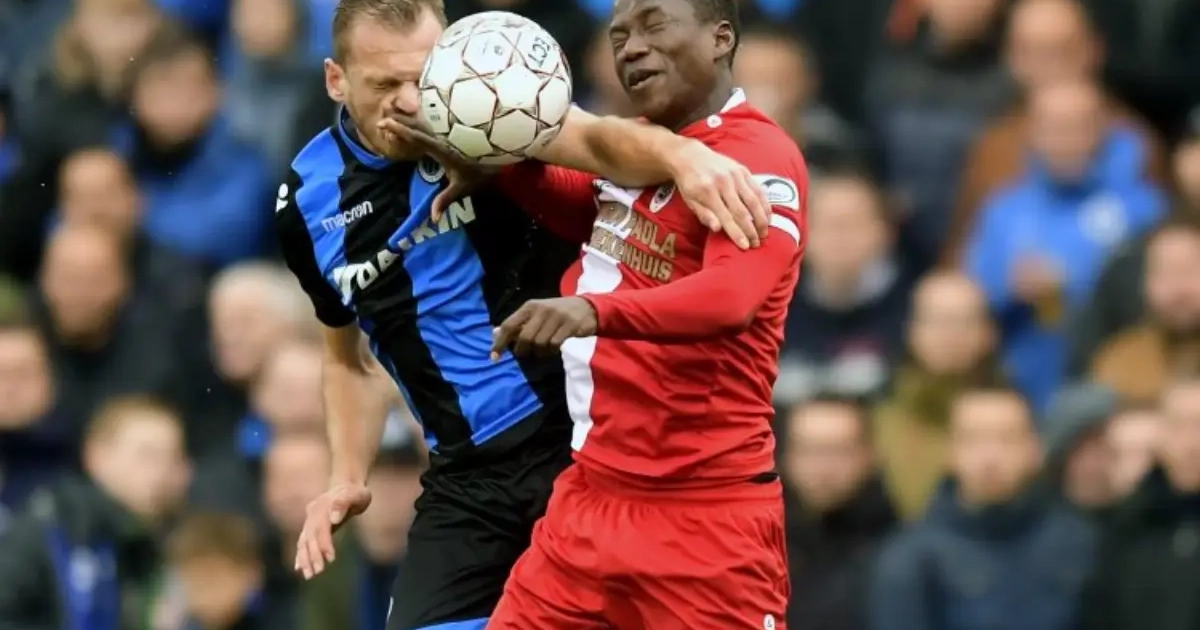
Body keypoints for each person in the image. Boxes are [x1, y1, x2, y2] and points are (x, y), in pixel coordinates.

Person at [278, 3, 771, 630]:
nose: (409, 101)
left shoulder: (483, 111)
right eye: (384, 85)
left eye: (421, 78)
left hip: (575, 449)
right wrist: (346, 476)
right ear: (336, 80)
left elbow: (596, 138)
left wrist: (684, 157)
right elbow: (349, 360)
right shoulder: (306, 201)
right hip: (466, 479)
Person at [484, 0, 808, 626]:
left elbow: (732, 297)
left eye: (655, 25)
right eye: (619, 36)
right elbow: (575, 203)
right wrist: (490, 156)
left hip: (703, 521)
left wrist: (593, 311)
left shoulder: (758, 156)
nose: (631, 47)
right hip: (589, 500)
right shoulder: (637, 148)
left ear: (720, 38)